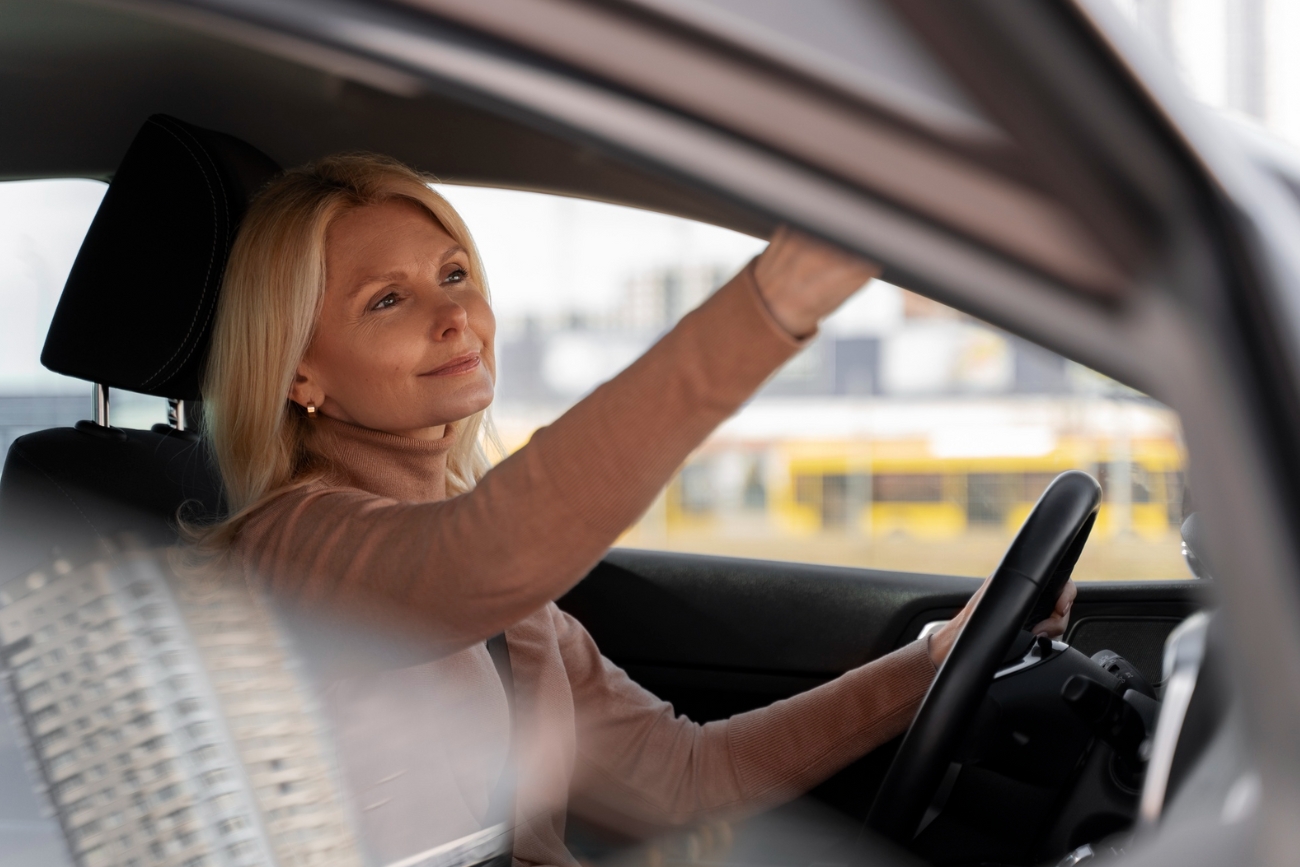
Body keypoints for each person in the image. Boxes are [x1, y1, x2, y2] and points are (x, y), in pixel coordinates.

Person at [192, 154, 1075, 867]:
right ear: (299, 372)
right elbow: (483, 554)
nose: (456, 315)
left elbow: (686, 777)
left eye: (455, 273)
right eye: (388, 299)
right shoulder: (289, 555)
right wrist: (770, 305)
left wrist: (937, 660)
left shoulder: (513, 608)